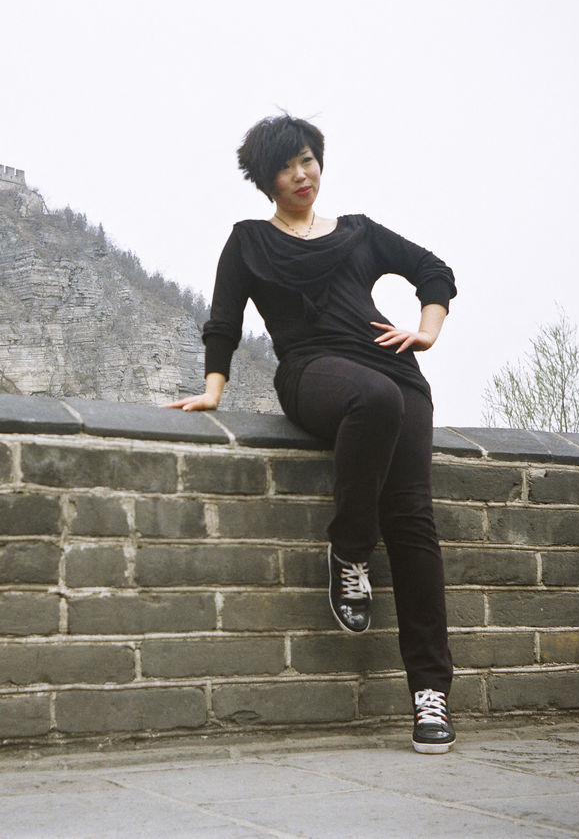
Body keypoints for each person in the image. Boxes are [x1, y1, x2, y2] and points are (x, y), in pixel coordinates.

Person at [168, 114, 457, 754]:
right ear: (265, 179)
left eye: (308, 160)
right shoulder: (248, 241)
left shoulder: (358, 232)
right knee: (373, 399)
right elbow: (223, 320)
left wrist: (427, 330)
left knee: (412, 520)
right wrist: (214, 389)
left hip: (396, 372)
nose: (302, 175)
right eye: (286, 166)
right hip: (312, 372)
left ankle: (430, 695)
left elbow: (434, 271)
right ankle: (349, 551)